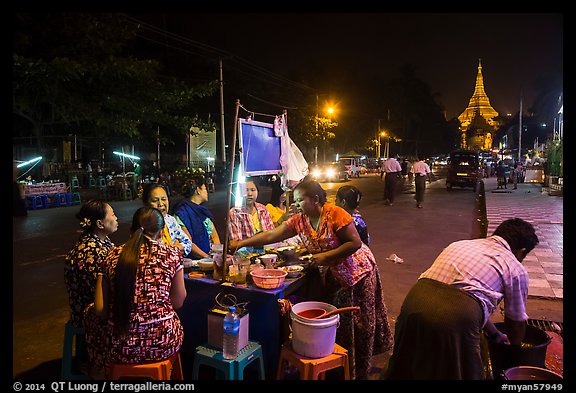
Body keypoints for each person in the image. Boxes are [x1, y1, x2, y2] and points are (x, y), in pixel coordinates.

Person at [228, 179, 393, 379]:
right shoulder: (300, 219)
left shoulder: (335, 214)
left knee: (361, 324)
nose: (295, 204)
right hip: (336, 275)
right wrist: (240, 243)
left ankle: (360, 371)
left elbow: (355, 242)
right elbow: (272, 235)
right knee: (341, 324)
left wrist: (324, 257)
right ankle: (340, 369)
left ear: (315, 199)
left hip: (359, 273)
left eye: (299, 200)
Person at [385, 218, 539, 380]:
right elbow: (515, 324)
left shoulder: (459, 244)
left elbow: (469, 294)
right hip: (454, 319)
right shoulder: (515, 268)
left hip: (413, 304)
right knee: (462, 372)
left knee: (407, 366)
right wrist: (516, 348)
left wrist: (495, 334)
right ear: (522, 251)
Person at [85, 206, 186, 379]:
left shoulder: (111, 256)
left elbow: (100, 310)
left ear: (132, 230)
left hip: (119, 348)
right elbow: (178, 302)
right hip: (163, 342)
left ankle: (97, 372)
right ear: (161, 233)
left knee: (90, 314)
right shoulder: (172, 254)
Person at [64, 199, 118, 329]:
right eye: (113, 214)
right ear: (100, 224)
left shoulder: (100, 241)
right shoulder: (91, 253)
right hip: (89, 318)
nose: (116, 218)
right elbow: (104, 293)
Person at [172, 175, 220, 259]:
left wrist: (217, 254)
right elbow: (188, 242)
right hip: (194, 261)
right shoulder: (181, 214)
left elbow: (214, 236)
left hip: (211, 257)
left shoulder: (203, 212)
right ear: (198, 190)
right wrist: (207, 257)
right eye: (205, 189)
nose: (207, 192)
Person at [142, 183, 192, 256]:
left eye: (163, 199)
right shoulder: (143, 223)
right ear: (146, 204)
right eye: (155, 200)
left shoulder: (171, 220)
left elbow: (188, 243)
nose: (161, 204)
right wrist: (172, 249)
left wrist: (177, 247)